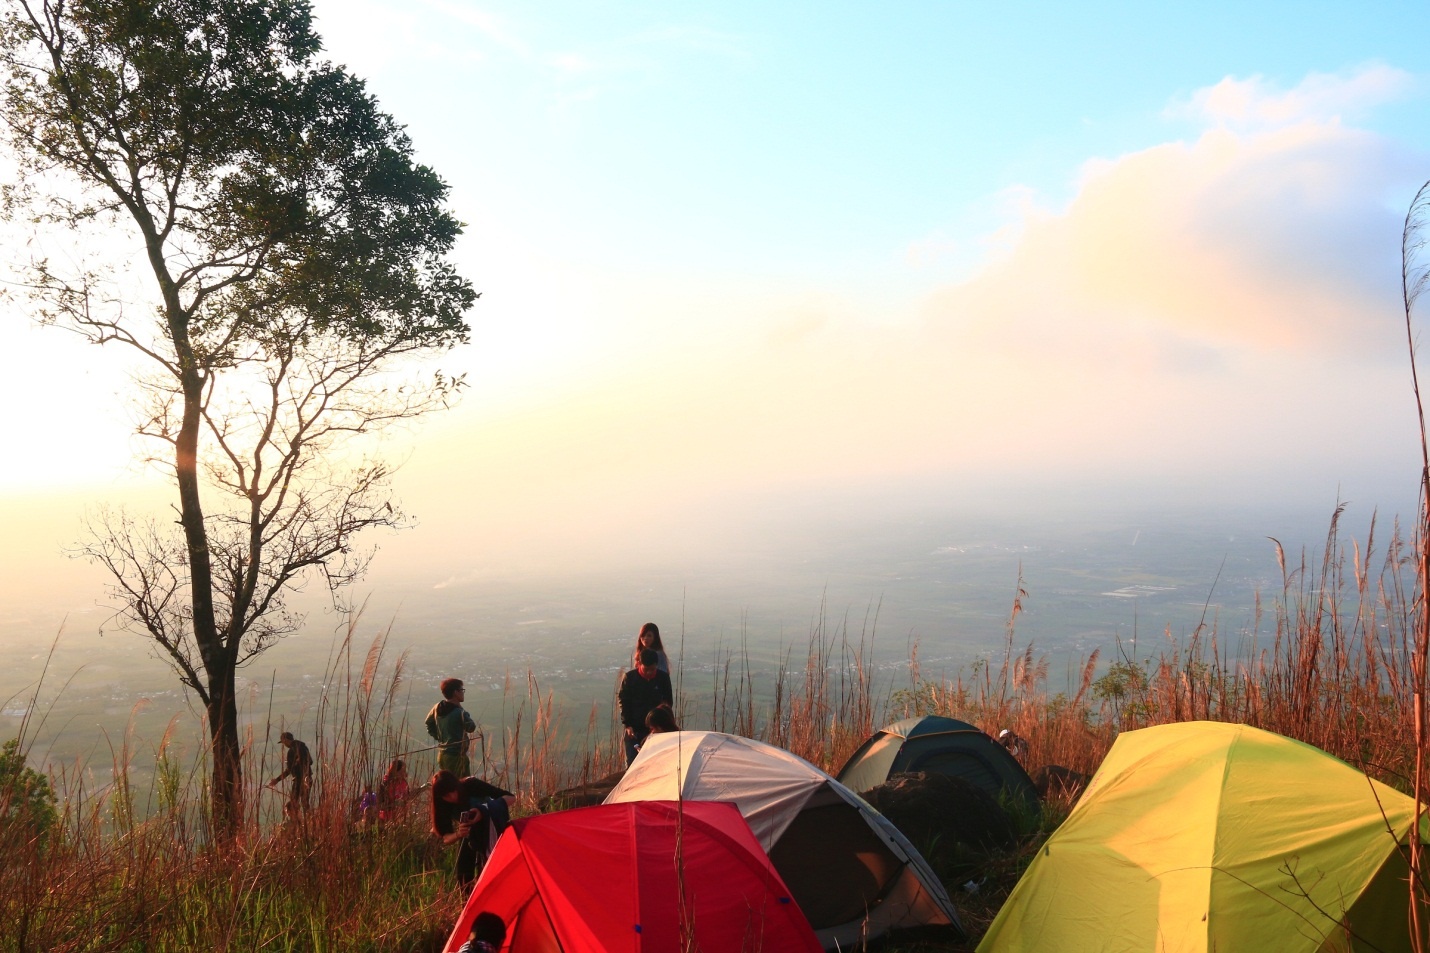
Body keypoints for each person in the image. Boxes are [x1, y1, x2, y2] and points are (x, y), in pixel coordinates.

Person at [431, 769, 515, 887]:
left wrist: (483, 810)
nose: (453, 797)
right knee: (463, 876)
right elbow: (445, 837)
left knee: (494, 872)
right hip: (468, 835)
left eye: (453, 791)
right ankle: (469, 898)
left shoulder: (471, 785)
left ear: (456, 785)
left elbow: (511, 797)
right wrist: (458, 834)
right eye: (447, 796)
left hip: (492, 830)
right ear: (440, 797)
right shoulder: (442, 805)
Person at [619, 648, 674, 765]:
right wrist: (627, 724)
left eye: (652, 669)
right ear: (639, 664)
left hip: (656, 729)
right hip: (634, 729)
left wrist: (660, 726)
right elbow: (624, 702)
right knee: (633, 764)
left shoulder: (663, 678)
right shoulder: (630, 678)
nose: (649, 672)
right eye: (646, 669)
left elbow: (667, 703)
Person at [426, 677, 479, 776]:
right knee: (462, 784)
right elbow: (471, 727)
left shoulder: (437, 707)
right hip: (457, 757)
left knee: (447, 783)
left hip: (442, 755)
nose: (463, 693)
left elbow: (428, 723)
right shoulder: (459, 712)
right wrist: (461, 709)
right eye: (462, 690)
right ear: (455, 692)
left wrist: (439, 737)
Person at [268, 731, 312, 817]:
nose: (284, 744)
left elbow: (289, 770)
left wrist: (277, 780)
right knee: (305, 803)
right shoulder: (304, 747)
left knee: (293, 804)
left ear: (286, 740)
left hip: (298, 780)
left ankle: (295, 821)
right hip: (308, 779)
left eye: (283, 742)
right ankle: (309, 820)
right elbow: (310, 761)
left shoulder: (291, 751)